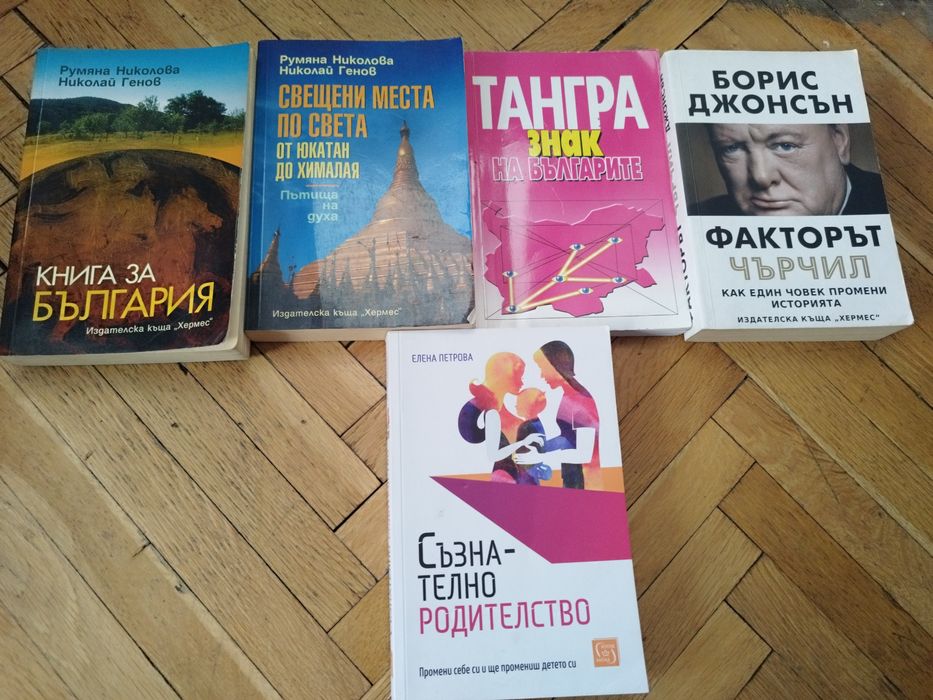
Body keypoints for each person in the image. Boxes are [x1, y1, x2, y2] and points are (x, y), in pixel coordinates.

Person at [689, 123, 888, 216]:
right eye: (732, 148)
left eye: (785, 146)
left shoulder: (889, 209)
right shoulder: (697, 221)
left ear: (839, 140)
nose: (761, 177)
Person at [515, 340, 599, 489]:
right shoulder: (569, 396)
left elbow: (584, 454)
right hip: (572, 476)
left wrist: (539, 456)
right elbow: (568, 440)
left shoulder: (580, 401)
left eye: (543, 368)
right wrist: (537, 446)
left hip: (589, 481)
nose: (541, 375)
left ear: (555, 365)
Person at [457, 352, 542, 483]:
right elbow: (493, 455)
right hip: (506, 480)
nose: (521, 382)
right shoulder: (493, 414)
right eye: (518, 376)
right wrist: (523, 442)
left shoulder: (503, 413)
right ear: (503, 376)